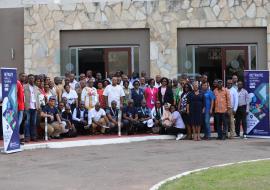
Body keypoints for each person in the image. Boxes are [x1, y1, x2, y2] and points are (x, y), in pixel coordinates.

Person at [24, 74, 40, 142]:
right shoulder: (24, 86)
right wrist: (25, 106)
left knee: (34, 123)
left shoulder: (36, 87)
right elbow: (23, 97)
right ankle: (27, 137)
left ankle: (33, 136)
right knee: (27, 123)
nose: (31, 79)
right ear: (28, 79)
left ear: (34, 79)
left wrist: (38, 106)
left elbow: (37, 97)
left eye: (32, 78)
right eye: (30, 78)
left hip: (35, 107)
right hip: (27, 107)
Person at [17, 73, 26, 143]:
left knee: (21, 123)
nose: (24, 77)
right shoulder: (18, 83)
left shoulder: (22, 85)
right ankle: (16, 138)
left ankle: (20, 138)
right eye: (23, 76)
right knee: (18, 123)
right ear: (19, 77)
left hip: (22, 107)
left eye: (25, 76)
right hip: (18, 107)